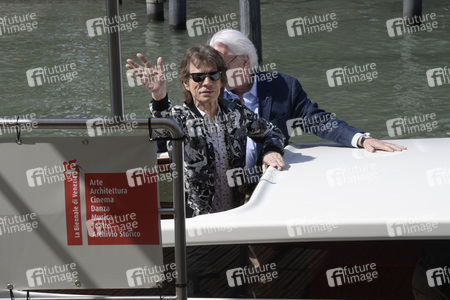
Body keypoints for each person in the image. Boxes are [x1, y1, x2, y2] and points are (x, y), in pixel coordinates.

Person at [209, 29, 406, 174]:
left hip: (270, 185)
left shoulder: (283, 87)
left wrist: (361, 139)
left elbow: (317, 120)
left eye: (222, 65)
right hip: (226, 188)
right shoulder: (209, 92)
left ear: (244, 61)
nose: (214, 74)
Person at [126, 45, 285, 217]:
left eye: (213, 75)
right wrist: (159, 96)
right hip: (196, 224)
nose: (207, 82)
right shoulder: (180, 118)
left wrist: (270, 151)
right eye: (198, 77)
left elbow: (273, 132)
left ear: (222, 80)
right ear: (186, 83)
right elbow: (162, 131)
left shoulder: (235, 113)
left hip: (236, 215)